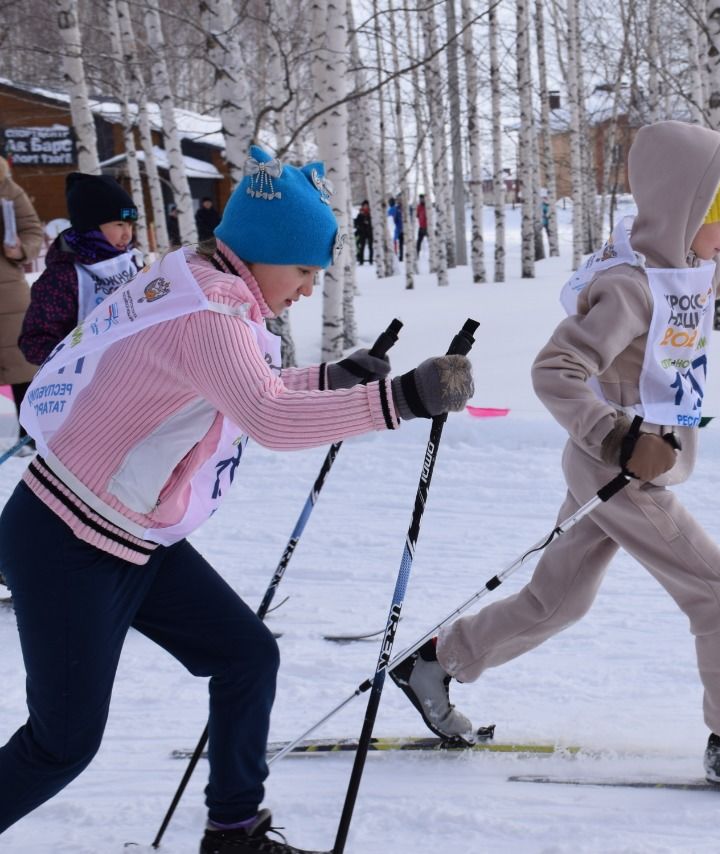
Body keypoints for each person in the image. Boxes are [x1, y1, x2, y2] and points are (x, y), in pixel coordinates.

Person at [0, 144, 475, 852]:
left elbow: (253, 387)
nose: (311, 288)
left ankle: (233, 833)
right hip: (68, 541)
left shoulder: (206, 284)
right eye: (305, 270)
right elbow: (267, 416)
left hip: (130, 536)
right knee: (62, 743)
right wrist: (397, 399)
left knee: (246, 656)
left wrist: (335, 378)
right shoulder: (210, 316)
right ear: (260, 252)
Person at [387, 120, 720, 791]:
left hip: (626, 466)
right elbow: (554, 369)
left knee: (556, 602)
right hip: (616, 470)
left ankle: (437, 663)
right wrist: (616, 437)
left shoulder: (690, 268)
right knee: (717, 588)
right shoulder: (632, 287)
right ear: (682, 212)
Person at [19, 172, 141, 369]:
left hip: (136, 370)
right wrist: (73, 359)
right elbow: (35, 341)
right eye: (119, 224)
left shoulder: (131, 262)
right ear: (90, 226)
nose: (127, 234)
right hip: (86, 380)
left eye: (130, 224)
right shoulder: (64, 275)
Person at [0, 158, 42, 451]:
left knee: (21, 364)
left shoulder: (7, 188)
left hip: (7, 289)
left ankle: (28, 435)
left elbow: (32, 231)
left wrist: (20, 249)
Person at [354, 199, 373, 265]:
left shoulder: (371, 214)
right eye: (364, 205)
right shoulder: (360, 214)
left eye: (366, 205)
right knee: (362, 247)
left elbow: (373, 223)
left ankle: (371, 260)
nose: (365, 207)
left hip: (370, 232)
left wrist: (368, 223)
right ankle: (361, 261)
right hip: (362, 232)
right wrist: (361, 224)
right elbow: (356, 223)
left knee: (370, 247)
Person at [388, 196, 403, 261]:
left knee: (396, 241)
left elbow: (388, 214)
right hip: (399, 227)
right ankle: (399, 255)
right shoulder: (396, 208)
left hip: (399, 228)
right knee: (398, 242)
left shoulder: (395, 209)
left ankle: (397, 254)